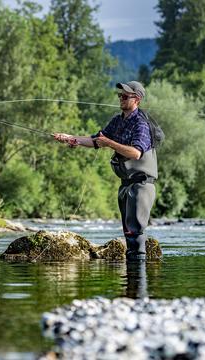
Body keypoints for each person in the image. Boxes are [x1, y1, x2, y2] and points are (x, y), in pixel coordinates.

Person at [53, 81, 157, 261]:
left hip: (142, 185)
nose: (121, 98)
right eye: (120, 95)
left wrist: (109, 143)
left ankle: (138, 285)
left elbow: (135, 153)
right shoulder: (117, 121)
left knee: (135, 232)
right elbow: (95, 140)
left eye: (125, 96)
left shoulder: (141, 124)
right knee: (128, 233)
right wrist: (71, 138)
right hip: (126, 185)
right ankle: (131, 286)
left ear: (137, 100)